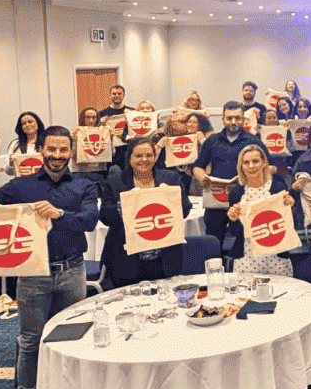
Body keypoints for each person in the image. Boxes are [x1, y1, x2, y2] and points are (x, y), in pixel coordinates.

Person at [0, 127, 99, 389]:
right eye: (51, 150)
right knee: (30, 341)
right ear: (40, 150)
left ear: (71, 152)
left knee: (73, 336)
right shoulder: (22, 186)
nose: (57, 156)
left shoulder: (83, 185)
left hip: (72, 271)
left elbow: (90, 220)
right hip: (31, 275)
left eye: (63, 150)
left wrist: (59, 214)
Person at [98, 137, 191, 289]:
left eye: (149, 155)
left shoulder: (170, 178)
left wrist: (172, 196)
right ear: (129, 158)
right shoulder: (115, 182)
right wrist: (125, 204)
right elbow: (105, 217)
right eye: (138, 156)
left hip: (164, 258)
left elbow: (185, 210)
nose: (144, 160)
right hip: (126, 260)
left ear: (155, 157)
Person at [192, 101, 265, 247]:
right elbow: (198, 166)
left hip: (245, 199)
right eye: (229, 118)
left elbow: (269, 166)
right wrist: (201, 177)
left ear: (243, 119)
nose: (233, 122)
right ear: (223, 119)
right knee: (213, 241)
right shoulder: (212, 141)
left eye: (237, 118)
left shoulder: (254, 141)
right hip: (216, 199)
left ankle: (239, 267)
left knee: (245, 240)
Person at [226, 144, 296, 276]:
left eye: (255, 161)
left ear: (264, 163)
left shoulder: (278, 188)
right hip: (246, 257)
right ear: (241, 166)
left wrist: (291, 207)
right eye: (246, 162)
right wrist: (234, 219)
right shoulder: (236, 193)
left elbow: (289, 225)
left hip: (276, 256)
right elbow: (235, 232)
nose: (251, 166)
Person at [70, 107, 110, 176]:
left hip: (100, 171)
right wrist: (74, 139)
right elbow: (72, 155)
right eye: (87, 117)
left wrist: (110, 139)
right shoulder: (76, 132)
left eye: (94, 118)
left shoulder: (103, 132)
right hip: (80, 172)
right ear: (83, 118)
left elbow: (112, 153)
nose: (91, 120)